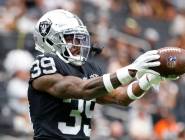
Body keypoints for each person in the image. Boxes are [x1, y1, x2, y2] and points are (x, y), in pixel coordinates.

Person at [28, 9, 172, 140]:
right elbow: (81, 89)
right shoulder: (45, 62)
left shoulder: (89, 68)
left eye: (79, 38)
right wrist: (132, 69)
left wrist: (147, 79)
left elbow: (121, 97)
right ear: (49, 40)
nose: (78, 43)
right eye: (70, 38)